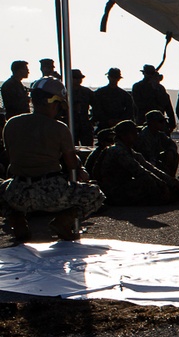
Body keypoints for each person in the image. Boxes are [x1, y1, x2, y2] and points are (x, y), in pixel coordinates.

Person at [0, 77, 105, 240]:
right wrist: (79, 166)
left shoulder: (11, 124)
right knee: (95, 194)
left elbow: (9, 157)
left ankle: (17, 219)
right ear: (53, 102)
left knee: (3, 188)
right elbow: (71, 164)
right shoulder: (59, 128)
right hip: (50, 192)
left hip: (17, 191)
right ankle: (63, 221)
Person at [95, 120, 179, 206]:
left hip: (121, 186)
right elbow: (140, 171)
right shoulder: (117, 151)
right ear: (124, 135)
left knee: (165, 187)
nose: (137, 136)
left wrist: (173, 183)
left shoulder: (129, 150)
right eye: (134, 133)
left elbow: (150, 168)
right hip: (113, 189)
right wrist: (163, 186)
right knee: (145, 183)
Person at [135, 110, 179, 177]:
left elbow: (171, 143)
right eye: (160, 122)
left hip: (154, 158)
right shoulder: (144, 135)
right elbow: (148, 156)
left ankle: (171, 178)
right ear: (152, 122)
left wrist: (171, 151)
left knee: (174, 155)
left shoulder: (158, 133)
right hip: (145, 161)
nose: (163, 124)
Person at [131, 64, 176, 130]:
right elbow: (139, 104)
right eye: (148, 73)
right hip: (143, 121)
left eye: (151, 73)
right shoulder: (138, 87)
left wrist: (172, 123)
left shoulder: (159, 88)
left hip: (159, 122)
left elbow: (167, 104)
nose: (149, 75)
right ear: (144, 73)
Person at [91, 68, 135, 133]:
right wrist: (106, 120)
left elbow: (130, 111)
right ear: (109, 77)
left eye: (116, 77)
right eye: (113, 77)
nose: (114, 79)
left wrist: (120, 120)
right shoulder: (99, 93)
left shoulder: (125, 95)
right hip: (104, 124)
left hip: (120, 125)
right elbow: (96, 109)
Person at [69, 69, 95, 146]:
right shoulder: (66, 91)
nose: (78, 80)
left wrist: (92, 119)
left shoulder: (86, 92)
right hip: (71, 124)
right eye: (75, 78)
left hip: (84, 124)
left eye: (79, 78)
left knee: (88, 146)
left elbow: (96, 106)